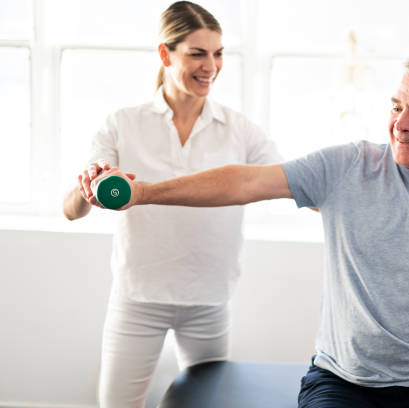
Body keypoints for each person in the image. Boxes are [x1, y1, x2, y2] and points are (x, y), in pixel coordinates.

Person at [89, 55, 409, 408]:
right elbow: (245, 181)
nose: (401, 123)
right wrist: (143, 191)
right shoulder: (349, 166)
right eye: (397, 106)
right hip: (344, 381)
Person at [62, 2, 280, 407]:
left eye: (218, 54)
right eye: (197, 53)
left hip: (208, 300)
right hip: (138, 298)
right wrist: (86, 188)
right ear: (165, 54)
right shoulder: (123, 123)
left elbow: (288, 181)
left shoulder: (240, 130)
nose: (211, 66)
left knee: (209, 403)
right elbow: (71, 210)